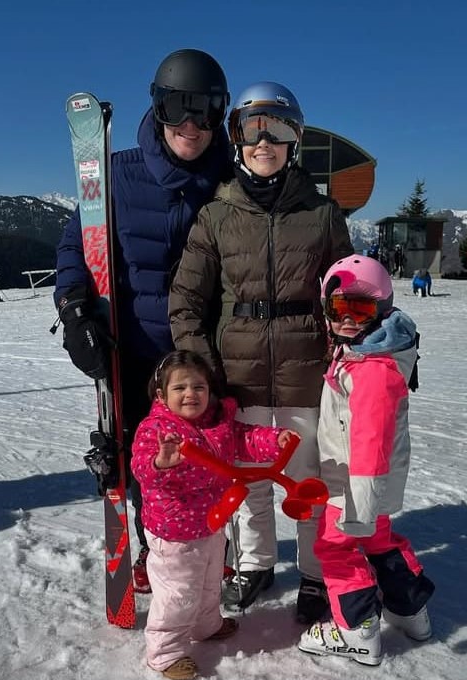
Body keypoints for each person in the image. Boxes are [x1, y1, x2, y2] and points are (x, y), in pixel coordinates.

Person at [169, 81, 354, 621]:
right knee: (246, 480)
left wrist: (359, 351)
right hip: (237, 374)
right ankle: (255, 564)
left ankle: (316, 575)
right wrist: (202, 367)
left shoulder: (321, 215)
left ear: (293, 140)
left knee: (306, 478)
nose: (263, 142)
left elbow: (346, 292)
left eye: (276, 130)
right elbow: (186, 299)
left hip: (305, 372)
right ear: (237, 140)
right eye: (252, 130)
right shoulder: (217, 214)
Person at [54, 49, 231, 594]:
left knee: (208, 457)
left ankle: (209, 550)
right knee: (145, 459)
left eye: (205, 111)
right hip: (133, 347)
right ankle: (152, 548)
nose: (192, 126)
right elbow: (76, 246)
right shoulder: (119, 175)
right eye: (179, 108)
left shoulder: (233, 180)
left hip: (202, 352)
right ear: (157, 108)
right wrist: (75, 308)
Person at [297, 255, 434, 665]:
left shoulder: (372, 369)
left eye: (362, 309)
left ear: (383, 310)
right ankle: (411, 612)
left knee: (335, 547)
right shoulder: (365, 351)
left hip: (356, 481)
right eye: (340, 308)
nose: (350, 319)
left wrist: (358, 504)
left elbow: (371, 440)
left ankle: (356, 630)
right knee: (379, 540)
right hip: (371, 480)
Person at [130, 350, 297, 680]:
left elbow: (244, 437)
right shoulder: (158, 430)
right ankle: (165, 651)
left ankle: (207, 625)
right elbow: (142, 469)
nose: (190, 394)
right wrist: (162, 462)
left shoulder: (217, 423)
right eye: (180, 389)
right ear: (162, 395)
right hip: (173, 531)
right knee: (179, 593)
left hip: (211, 522)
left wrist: (274, 440)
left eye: (198, 387)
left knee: (208, 583)